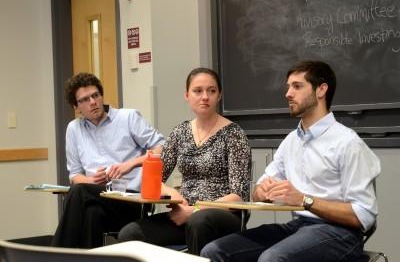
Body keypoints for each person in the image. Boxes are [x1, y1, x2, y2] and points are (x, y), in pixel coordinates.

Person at [201, 61, 381, 262]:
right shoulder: (291, 141)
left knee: (272, 259)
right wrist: (263, 191)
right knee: (214, 251)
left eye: (297, 86)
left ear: (321, 90)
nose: (288, 94)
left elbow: (363, 215)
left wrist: (305, 200)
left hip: (342, 234)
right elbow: (258, 190)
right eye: (288, 87)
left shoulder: (348, 143)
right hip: (300, 227)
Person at [118, 67, 252, 255]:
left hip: (223, 214)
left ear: (219, 95)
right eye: (198, 91)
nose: (205, 96)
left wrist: (195, 209)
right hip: (183, 212)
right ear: (187, 95)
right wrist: (172, 193)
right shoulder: (180, 132)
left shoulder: (234, 134)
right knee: (130, 234)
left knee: (199, 222)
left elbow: (239, 196)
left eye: (211, 91)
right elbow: (154, 180)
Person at [51, 72, 165, 248]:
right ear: (76, 106)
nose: (93, 102)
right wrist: (90, 181)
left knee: (79, 192)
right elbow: (75, 175)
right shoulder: (74, 129)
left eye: (95, 95)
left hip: (131, 200)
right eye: (85, 99)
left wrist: (131, 164)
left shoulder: (128, 117)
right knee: (91, 214)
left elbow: (163, 148)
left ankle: (55, 255)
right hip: (97, 197)